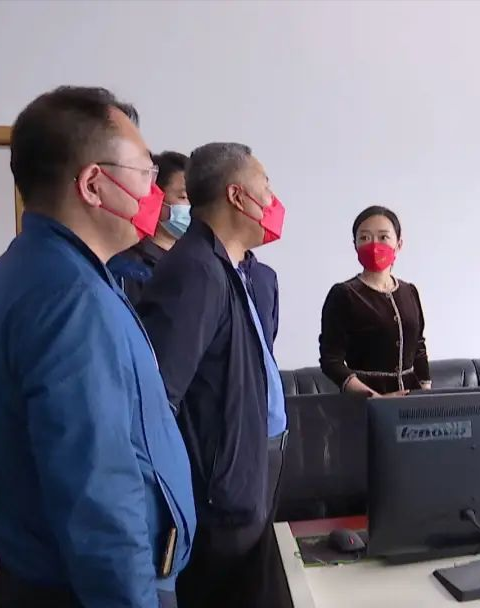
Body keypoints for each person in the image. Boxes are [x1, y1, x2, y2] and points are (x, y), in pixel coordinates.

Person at [0, 86, 196, 607]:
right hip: (88, 588)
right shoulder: (71, 296)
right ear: (95, 184)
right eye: (145, 173)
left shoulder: (34, 265)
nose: (155, 193)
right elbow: (98, 490)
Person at [136, 142, 287, 608]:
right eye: (266, 188)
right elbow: (158, 401)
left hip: (247, 471)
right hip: (219, 495)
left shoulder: (233, 267)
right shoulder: (196, 270)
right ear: (238, 196)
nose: (274, 201)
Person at [319, 205, 431, 396]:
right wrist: (375, 399)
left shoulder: (410, 291)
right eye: (364, 238)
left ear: (399, 244)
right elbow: (331, 361)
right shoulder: (344, 294)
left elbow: (418, 347)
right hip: (366, 403)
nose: (373, 245)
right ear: (355, 245)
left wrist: (425, 394)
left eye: (383, 237)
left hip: (412, 400)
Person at [108, 150, 190, 304]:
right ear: (155, 196)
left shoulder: (194, 258)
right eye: (184, 197)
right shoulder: (129, 266)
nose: (192, 207)